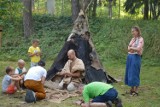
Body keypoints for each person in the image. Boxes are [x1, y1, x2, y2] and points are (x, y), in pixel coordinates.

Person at [125, 26, 144, 96]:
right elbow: (128, 47)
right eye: (132, 31)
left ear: (137, 31)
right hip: (130, 57)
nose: (132, 33)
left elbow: (138, 49)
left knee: (135, 72)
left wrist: (131, 48)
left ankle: (136, 90)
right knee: (130, 72)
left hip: (136, 57)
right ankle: (132, 88)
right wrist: (132, 48)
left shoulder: (141, 39)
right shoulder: (133, 39)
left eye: (133, 31)